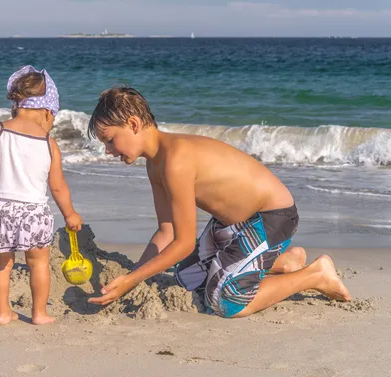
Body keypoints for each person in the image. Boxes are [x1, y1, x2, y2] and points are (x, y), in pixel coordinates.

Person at [86, 86, 350, 318]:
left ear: (133, 124)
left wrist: (134, 278)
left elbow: (184, 242)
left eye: (110, 141)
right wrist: (135, 276)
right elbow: (167, 230)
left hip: (272, 217)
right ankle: (283, 262)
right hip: (234, 224)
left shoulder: (175, 160)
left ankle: (315, 274)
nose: (108, 151)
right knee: (187, 277)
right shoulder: (155, 165)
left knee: (224, 300)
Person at [0, 66, 83, 325]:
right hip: (33, 213)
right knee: (38, 264)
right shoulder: (49, 143)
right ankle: (39, 313)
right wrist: (70, 214)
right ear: (47, 111)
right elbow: (58, 186)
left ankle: (3, 313)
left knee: (1, 265)